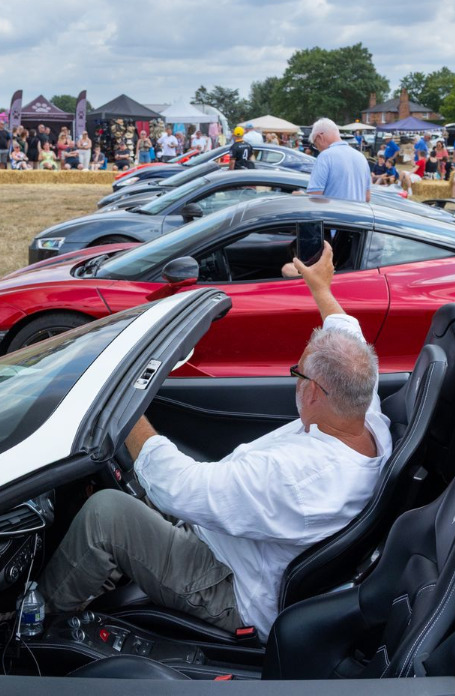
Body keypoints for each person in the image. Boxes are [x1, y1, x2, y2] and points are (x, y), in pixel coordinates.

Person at [38, 241, 389, 640]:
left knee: (106, 514)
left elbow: (178, 487)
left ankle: (37, 620)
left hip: (230, 583)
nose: (295, 377)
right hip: (237, 545)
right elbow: (347, 336)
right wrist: (321, 288)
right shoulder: (363, 410)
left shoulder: (297, 478)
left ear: (313, 392)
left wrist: (118, 401)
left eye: (298, 371)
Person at [306, 118, 370, 202]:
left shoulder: (325, 156)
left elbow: (314, 197)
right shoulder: (361, 157)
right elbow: (367, 197)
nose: (317, 148)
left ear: (320, 137)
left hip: (334, 210)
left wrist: (300, 196)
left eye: (315, 144)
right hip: (358, 210)